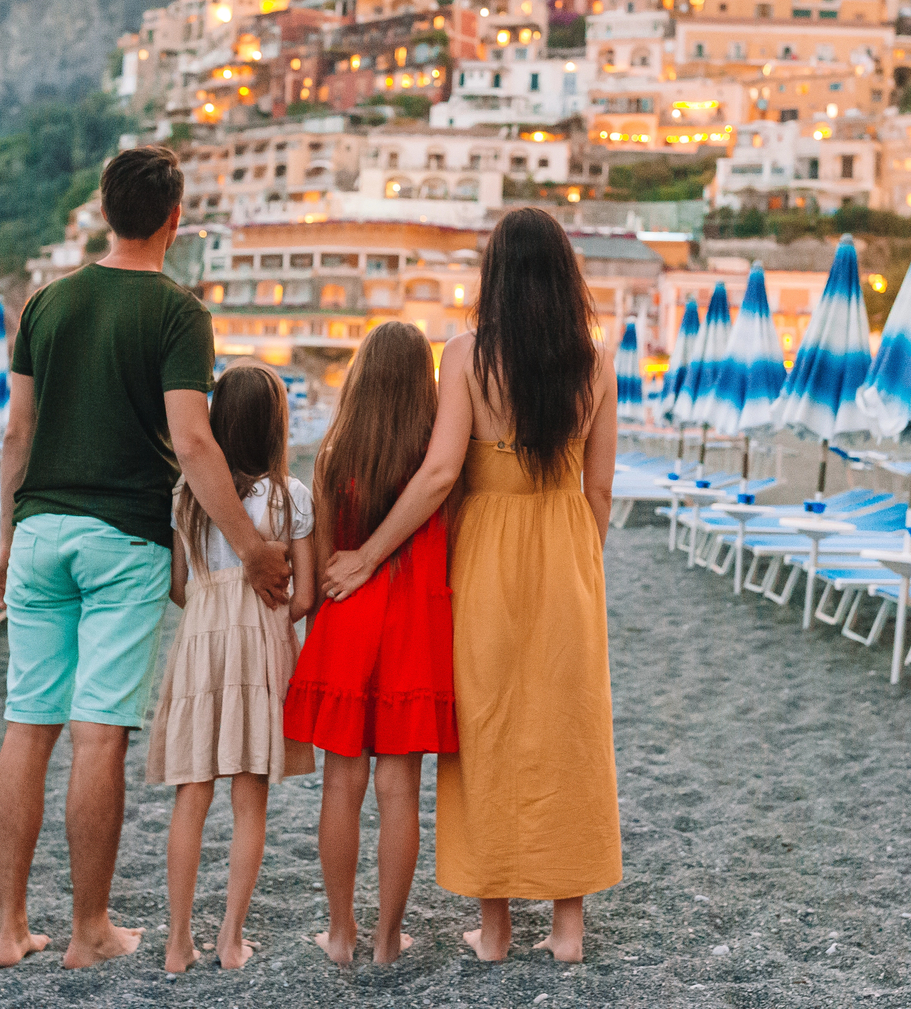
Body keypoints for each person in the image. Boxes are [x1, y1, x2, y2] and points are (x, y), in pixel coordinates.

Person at [0, 146, 290, 971]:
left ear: (101, 209)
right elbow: (193, 441)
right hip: (121, 536)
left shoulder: (43, 304)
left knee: (27, 724)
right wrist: (256, 548)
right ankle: (89, 931)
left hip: (41, 530)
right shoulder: (178, 311)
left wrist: (7, 538)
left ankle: (9, 929)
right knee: (97, 736)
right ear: (174, 219)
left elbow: (17, 432)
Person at [319, 207, 619, 963]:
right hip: (566, 550)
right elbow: (602, 489)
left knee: (484, 730)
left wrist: (370, 553)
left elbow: (442, 473)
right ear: (565, 275)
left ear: (496, 275)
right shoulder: (597, 361)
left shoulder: (467, 353)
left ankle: (495, 927)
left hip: (484, 550)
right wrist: (581, 561)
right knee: (568, 730)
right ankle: (567, 924)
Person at [283, 322, 458, 967]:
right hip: (413, 626)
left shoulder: (335, 457)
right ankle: (388, 938)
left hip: (348, 623)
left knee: (341, 787)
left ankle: (341, 933)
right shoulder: (437, 461)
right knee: (400, 789)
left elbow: (327, 562)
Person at [148, 362, 317, 973]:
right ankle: (230, 939)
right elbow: (303, 598)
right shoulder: (290, 495)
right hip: (261, 646)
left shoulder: (186, 496)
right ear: (275, 425)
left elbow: (175, 585)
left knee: (192, 795)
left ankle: (176, 943)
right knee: (251, 800)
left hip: (200, 641)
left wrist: (211, 603)